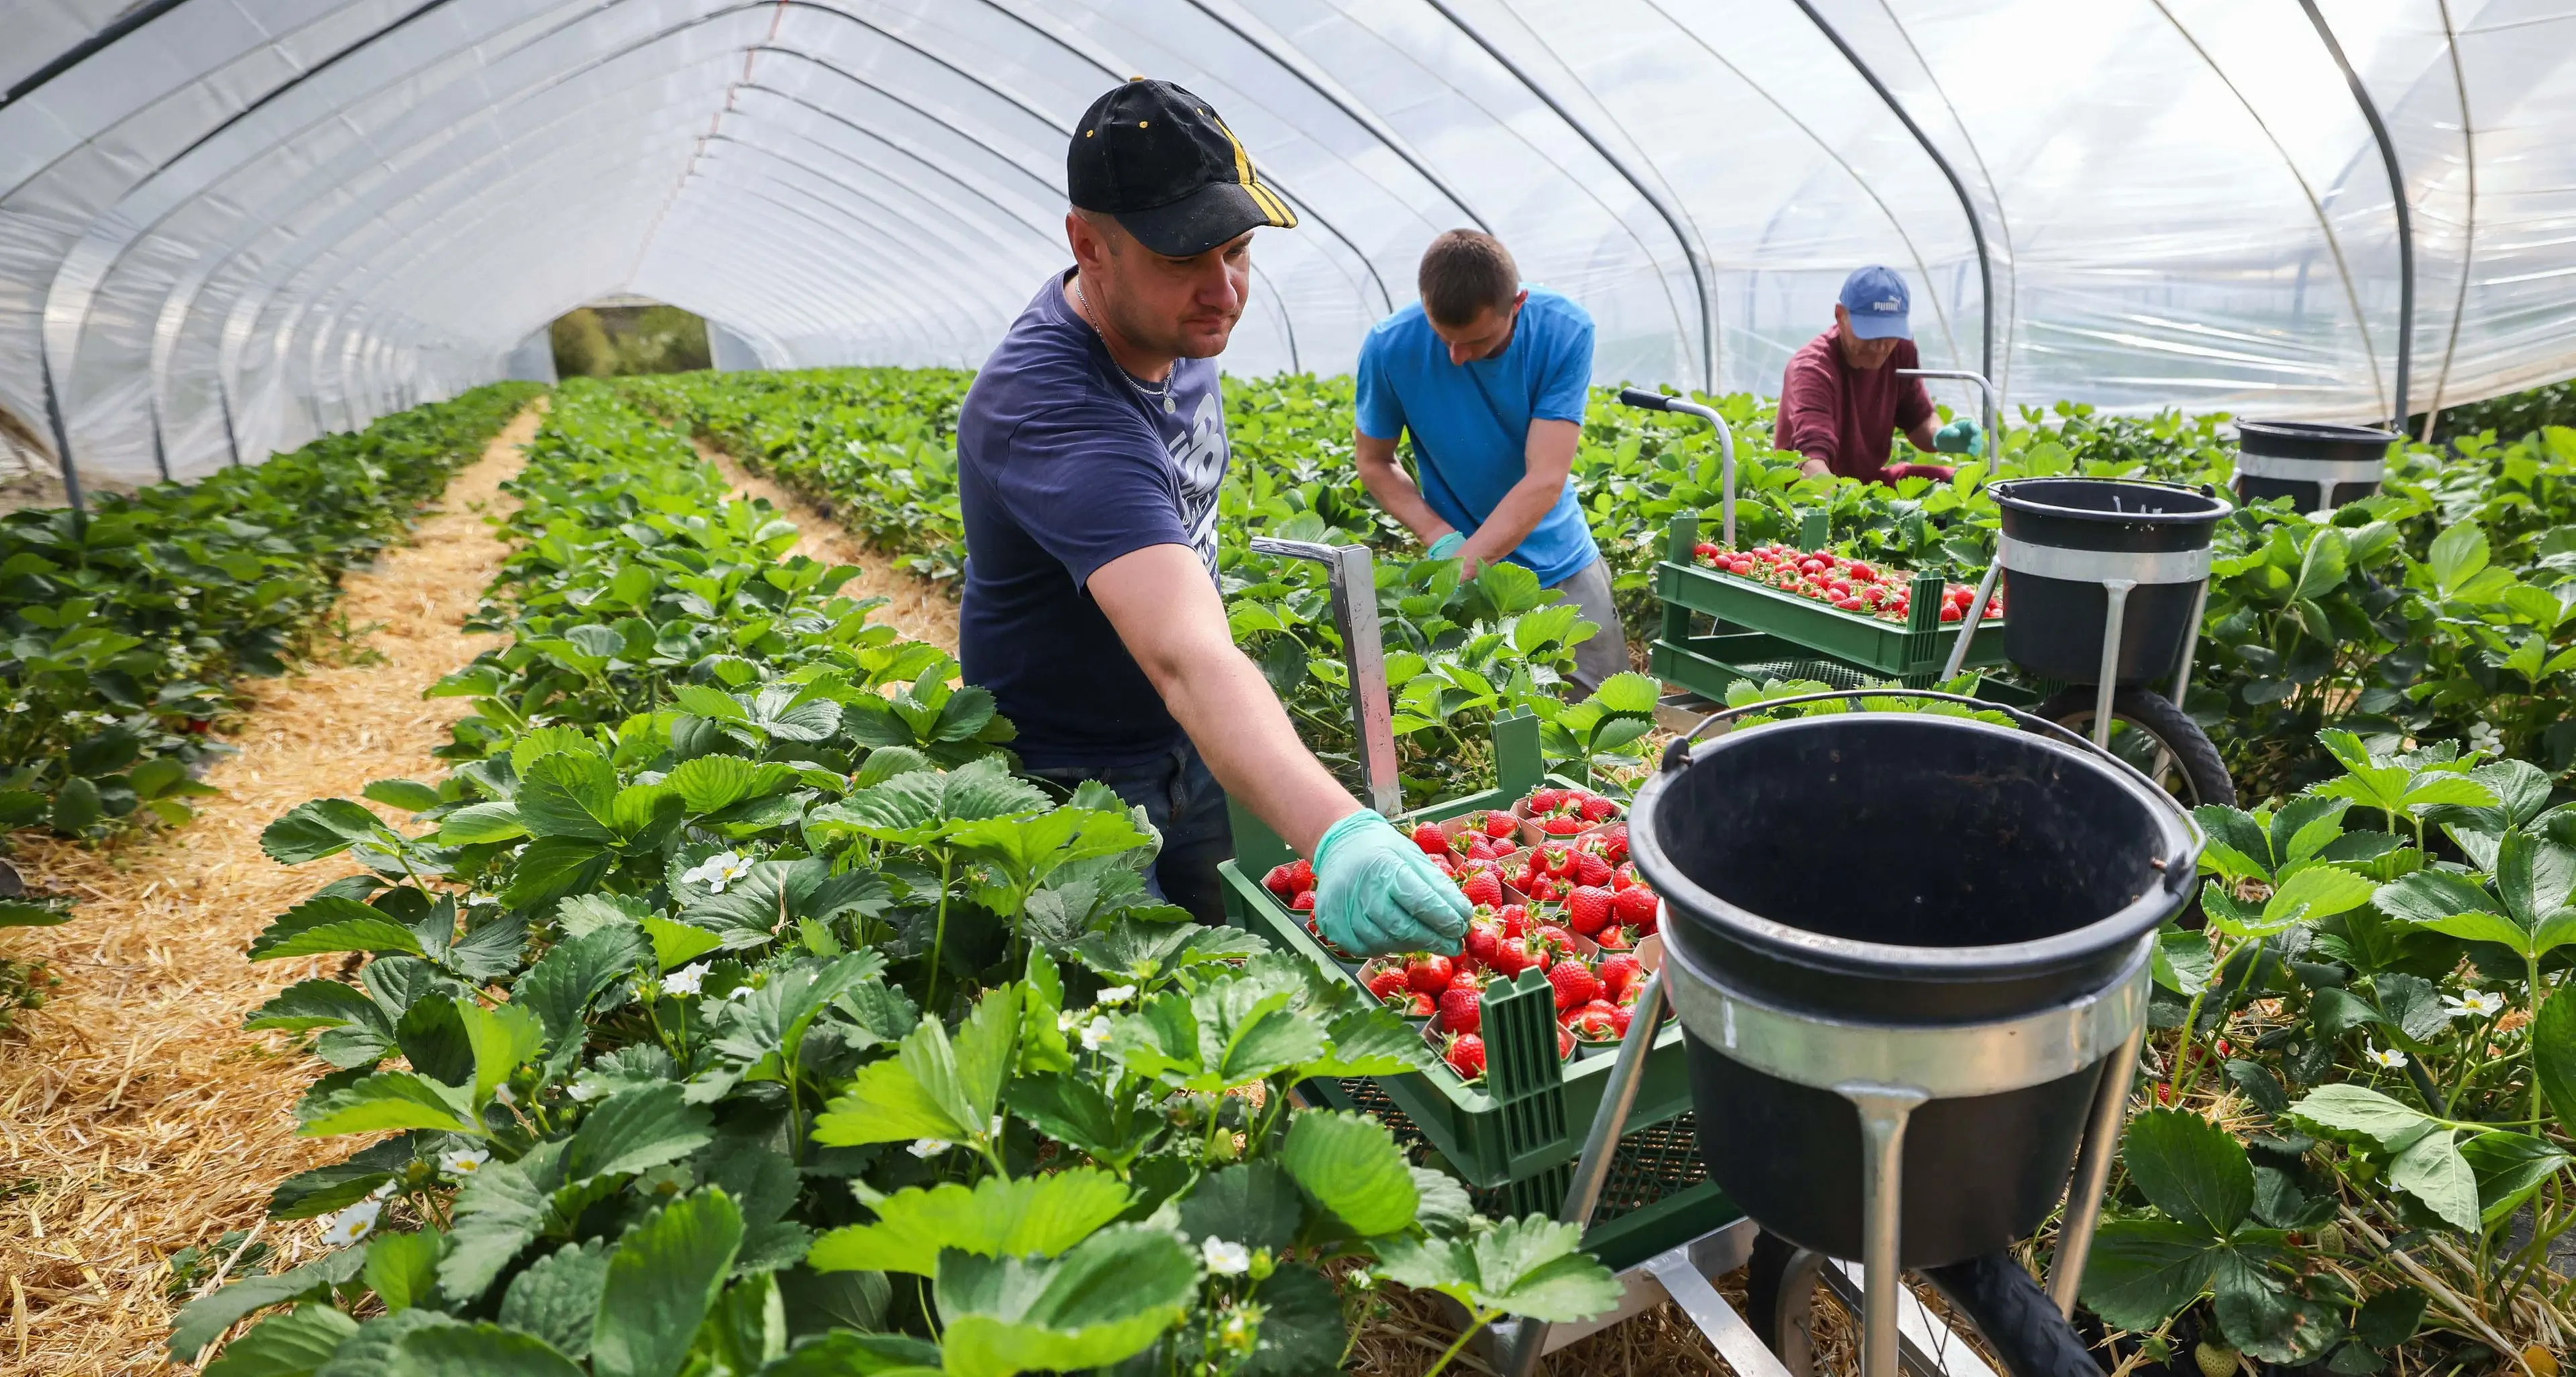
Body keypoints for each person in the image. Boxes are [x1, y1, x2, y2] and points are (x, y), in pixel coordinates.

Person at [953, 77, 1468, 958]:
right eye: (1183, 257)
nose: (1223, 291)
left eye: (1235, 251)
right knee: (1135, 1025)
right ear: (1089, 245)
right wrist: (1340, 831)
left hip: (1190, 745)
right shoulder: (1051, 410)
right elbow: (1186, 656)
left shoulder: (1173, 330)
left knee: (1229, 960)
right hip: (1076, 782)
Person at [1350, 230, 1626, 693]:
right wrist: (1438, 537)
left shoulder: (1565, 331)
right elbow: (1374, 460)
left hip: (1561, 562)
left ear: (1517, 304)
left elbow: (1545, 477)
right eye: (1444, 339)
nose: (1457, 357)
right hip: (1461, 565)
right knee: (1483, 727)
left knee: (1603, 716)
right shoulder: (1389, 346)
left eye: (1476, 341)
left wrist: (1465, 563)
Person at [1775, 266, 1983, 486]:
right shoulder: (1812, 369)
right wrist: (1841, 507)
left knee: (1959, 483)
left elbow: (1917, 417)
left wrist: (1942, 436)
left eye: (1890, 332)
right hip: (1811, 490)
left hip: (1867, 482)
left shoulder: (1901, 349)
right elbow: (1811, 461)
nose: (1881, 345)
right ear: (1840, 316)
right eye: (1870, 331)